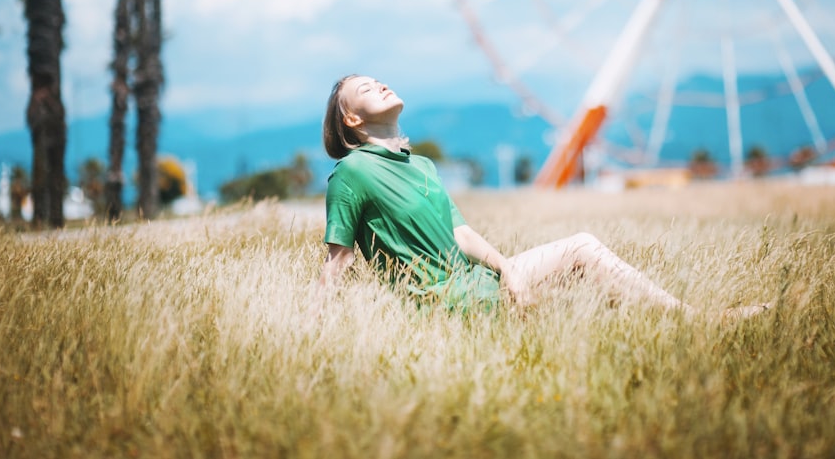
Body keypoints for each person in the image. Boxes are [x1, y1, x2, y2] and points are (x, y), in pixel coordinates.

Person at [316, 74, 770, 318]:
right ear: (352, 121)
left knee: (584, 260)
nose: (379, 84)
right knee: (582, 254)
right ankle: (701, 322)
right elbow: (338, 262)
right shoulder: (351, 174)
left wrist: (509, 268)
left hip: (481, 285)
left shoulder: (423, 165)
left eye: (378, 80)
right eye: (364, 89)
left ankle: (690, 320)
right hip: (442, 303)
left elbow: (462, 234)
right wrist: (316, 326)